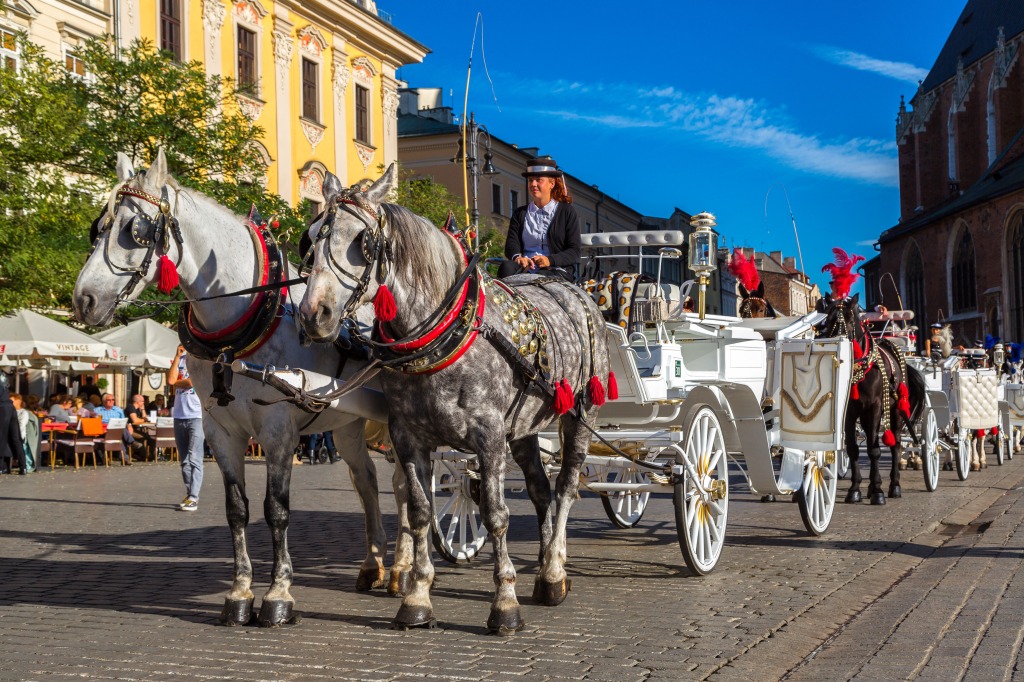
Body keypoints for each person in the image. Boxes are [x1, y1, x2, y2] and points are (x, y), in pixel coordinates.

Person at [498, 156, 581, 282]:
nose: (533, 184)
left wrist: (550, 260)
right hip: (526, 267)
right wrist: (518, 258)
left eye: (538, 180)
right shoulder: (520, 213)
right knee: (506, 267)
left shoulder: (567, 212)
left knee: (542, 278)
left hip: (555, 269)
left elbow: (574, 251)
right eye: (530, 180)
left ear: (552, 183)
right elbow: (511, 244)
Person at [168, 345, 204, 512]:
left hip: (196, 415)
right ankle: (190, 494)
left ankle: (194, 497)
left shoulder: (201, 360)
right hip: (179, 415)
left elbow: (191, 382)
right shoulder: (181, 360)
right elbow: (169, 380)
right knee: (184, 460)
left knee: (194, 457)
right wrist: (176, 357)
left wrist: (176, 382)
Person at [93, 394, 141, 465]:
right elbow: (93, 422)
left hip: (117, 429)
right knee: (121, 434)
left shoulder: (118, 410)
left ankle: (125, 457)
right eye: (109, 400)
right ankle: (130, 446)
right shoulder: (97, 410)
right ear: (103, 401)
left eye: (113, 400)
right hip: (104, 431)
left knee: (121, 431)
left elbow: (124, 421)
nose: (111, 401)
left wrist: (129, 425)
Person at [0, 380, 24, 475]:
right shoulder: (2, 386)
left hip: (2, 408)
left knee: (1, 437)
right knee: (16, 438)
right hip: (11, 408)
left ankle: (1, 467)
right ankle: (23, 467)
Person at [10, 393, 37, 474]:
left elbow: (22, 425)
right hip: (12, 435)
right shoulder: (10, 411)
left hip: (20, 435)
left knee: (24, 451)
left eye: (11, 401)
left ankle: (27, 466)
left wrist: (21, 436)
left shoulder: (23, 412)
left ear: (18, 401)